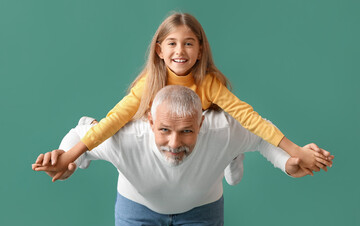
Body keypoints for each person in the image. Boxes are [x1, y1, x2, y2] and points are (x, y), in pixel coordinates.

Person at [49, 12, 332, 186]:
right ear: (160, 50)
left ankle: (232, 153)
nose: (180, 51)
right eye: (172, 43)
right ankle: (86, 128)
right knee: (116, 127)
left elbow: (250, 117)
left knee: (229, 124)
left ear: (199, 49)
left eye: (188, 43)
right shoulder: (148, 85)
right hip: (165, 136)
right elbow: (115, 120)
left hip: (203, 133)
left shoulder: (208, 84)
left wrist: (295, 150)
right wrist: (69, 156)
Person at [33, 86, 334, 226]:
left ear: (202, 123)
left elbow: (262, 136)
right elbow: (80, 134)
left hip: (201, 211)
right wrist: (64, 157)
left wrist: (288, 163)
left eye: (187, 131)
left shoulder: (222, 129)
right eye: (164, 130)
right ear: (150, 122)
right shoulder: (126, 136)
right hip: (136, 207)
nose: (175, 143)